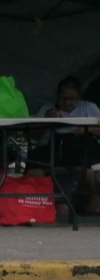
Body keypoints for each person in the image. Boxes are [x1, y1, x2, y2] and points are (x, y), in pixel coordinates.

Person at [27, 75, 100, 211]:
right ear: (57, 96)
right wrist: (46, 121)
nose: (67, 102)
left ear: (79, 95)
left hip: (77, 148)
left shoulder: (89, 108)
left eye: (71, 99)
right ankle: (37, 206)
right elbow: (33, 136)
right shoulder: (48, 108)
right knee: (34, 164)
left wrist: (88, 128)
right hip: (50, 149)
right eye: (63, 98)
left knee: (83, 167)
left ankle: (91, 200)